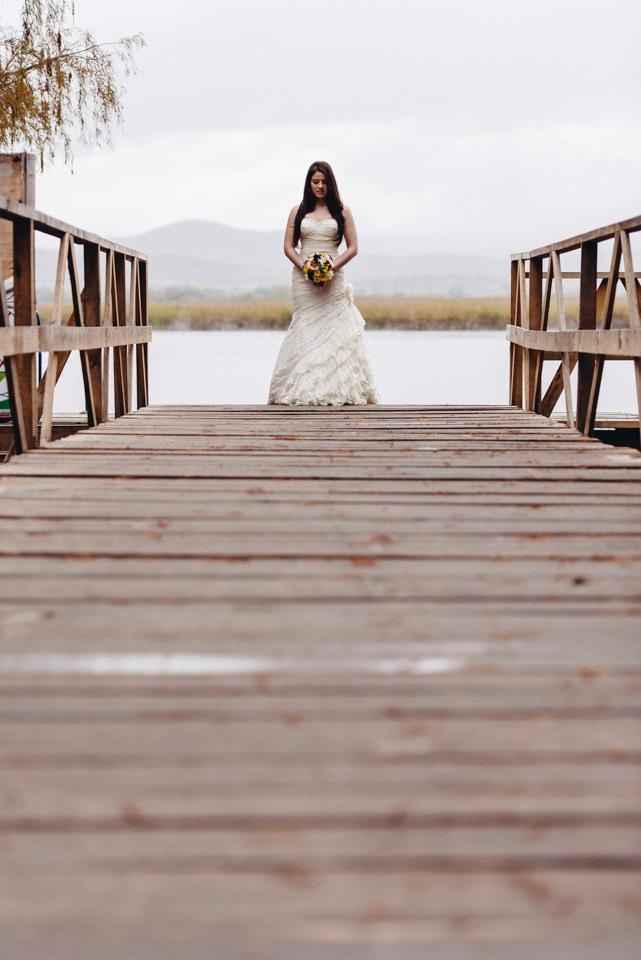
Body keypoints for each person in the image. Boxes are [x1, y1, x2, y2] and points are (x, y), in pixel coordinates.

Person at [268, 161, 379, 406]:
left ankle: (335, 388)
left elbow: (353, 248)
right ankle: (302, 388)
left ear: (331, 184)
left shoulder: (342, 211)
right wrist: (305, 267)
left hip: (333, 277)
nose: (320, 186)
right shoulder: (298, 212)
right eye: (315, 181)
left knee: (334, 330)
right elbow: (288, 247)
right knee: (305, 327)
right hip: (303, 279)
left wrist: (331, 268)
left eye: (324, 182)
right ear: (309, 183)